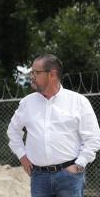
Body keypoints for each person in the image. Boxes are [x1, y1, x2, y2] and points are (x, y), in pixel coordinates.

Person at [7, 54, 100, 197]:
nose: (32, 76)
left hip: (70, 177)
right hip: (39, 177)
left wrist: (79, 164)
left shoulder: (78, 102)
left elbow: (93, 138)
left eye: (36, 73)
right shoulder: (27, 103)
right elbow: (13, 132)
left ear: (52, 74)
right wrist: (22, 156)